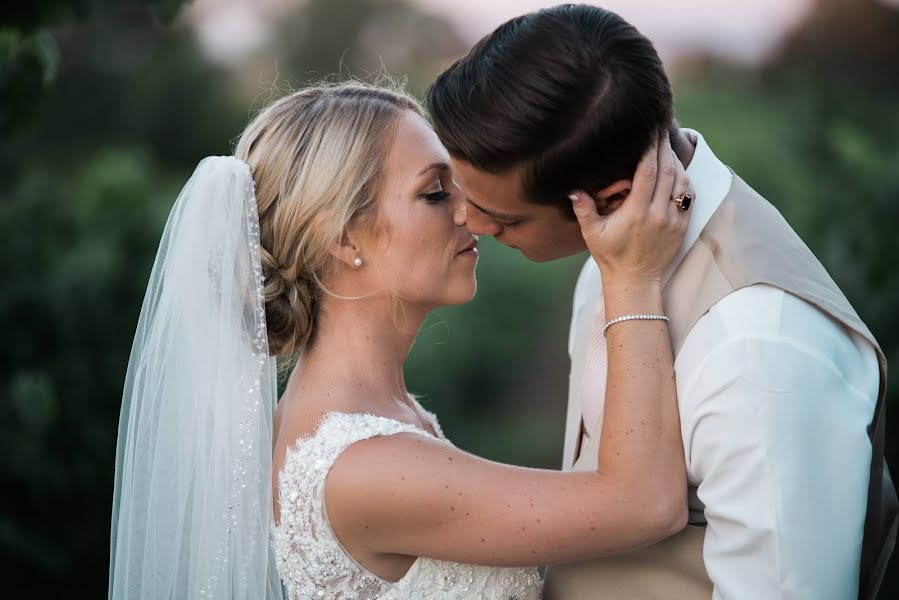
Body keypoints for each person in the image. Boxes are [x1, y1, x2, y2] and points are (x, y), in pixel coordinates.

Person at [107, 81, 694, 599]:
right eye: (436, 193)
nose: (473, 213)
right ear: (340, 236)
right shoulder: (364, 466)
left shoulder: (365, 419)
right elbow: (646, 504)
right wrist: (632, 276)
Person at [425, 4, 896, 599]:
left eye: (502, 218)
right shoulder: (621, 255)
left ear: (615, 195)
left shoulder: (759, 346)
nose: (467, 220)